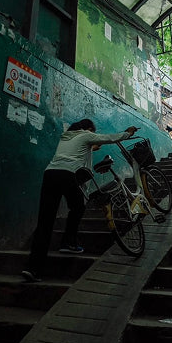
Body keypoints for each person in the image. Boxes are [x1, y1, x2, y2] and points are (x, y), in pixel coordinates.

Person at [22, 119, 139, 282]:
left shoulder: (66, 137)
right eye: (93, 131)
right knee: (78, 207)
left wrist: (93, 145)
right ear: (89, 129)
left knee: (45, 223)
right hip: (67, 174)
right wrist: (128, 133)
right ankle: (68, 242)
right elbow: (108, 138)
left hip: (50, 174)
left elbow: (88, 147)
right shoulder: (85, 135)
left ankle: (32, 269)